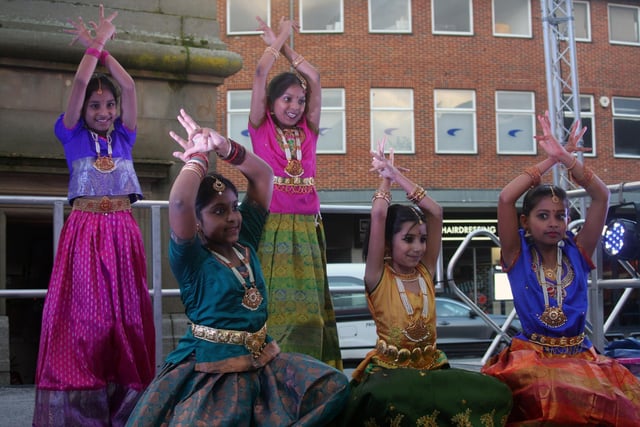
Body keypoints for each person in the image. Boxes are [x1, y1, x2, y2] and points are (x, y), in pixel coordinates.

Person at [126, 109, 349, 426]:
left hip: (265, 361)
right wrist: (199, 159)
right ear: (197, 222)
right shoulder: (191, 259)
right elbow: (178, 203)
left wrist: (223, 146)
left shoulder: (245, 240)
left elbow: (263, 176)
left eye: (233, 207)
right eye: (219, 211)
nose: (232, 216)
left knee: (334, 387)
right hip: (212, 371)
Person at [33, 5, 155, 426]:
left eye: (108, 106)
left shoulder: (124, 135)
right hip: (84, 231)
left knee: (125, 316)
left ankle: (124, 404)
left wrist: (104, 52)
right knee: (88, 317)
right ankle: (81, 404)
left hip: (122, 229)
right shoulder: (70, 135)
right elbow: (82, 81)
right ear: (82, 112)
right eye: (95, 107)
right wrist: (95, 44)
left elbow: (131, 86)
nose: (103, 112)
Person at [481, 111, 640, 425]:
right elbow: (505, 197)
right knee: (545, 395)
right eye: (543, 216)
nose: (553, 223)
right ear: (525, 222)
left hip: (580, 356)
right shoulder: (517, 254)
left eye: (560, 216)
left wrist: (567, 157)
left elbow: (602, 195)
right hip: (532, 359)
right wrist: (550, 161)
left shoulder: (578, 252)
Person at [339, 140, 513, 426]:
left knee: (496, 394)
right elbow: (379, 215)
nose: (418, 247)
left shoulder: (425, 271)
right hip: (390, 373)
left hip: (432, 368)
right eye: (408, 239)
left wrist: (399, 177)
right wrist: (385, 180)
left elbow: (436, 212)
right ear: (387, 242)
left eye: (421, 238)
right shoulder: (378, 276)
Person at [246, 16, 342, 368]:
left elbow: (315, 78)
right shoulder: (260, 126)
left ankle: (311, 374)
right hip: (272, 225)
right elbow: (259, 74)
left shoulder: (309, 129)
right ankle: (270, 372)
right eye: (287, 99)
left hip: (306, 227)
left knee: (310, 316)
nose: (295, 106)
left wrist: (286, 46)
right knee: (278, 314)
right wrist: (282, 34)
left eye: (300, 100)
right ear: (271, 104)